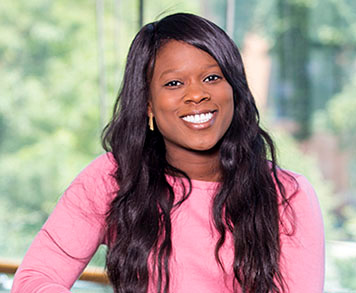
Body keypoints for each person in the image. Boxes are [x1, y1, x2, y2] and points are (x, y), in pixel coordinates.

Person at [11, 13, 324, 293]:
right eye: (174, 83)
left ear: (235, 89)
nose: (197, 94)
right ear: (148, 103)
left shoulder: (288, 195)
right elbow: (33, 279)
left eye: (212, 77)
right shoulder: (111, 178)